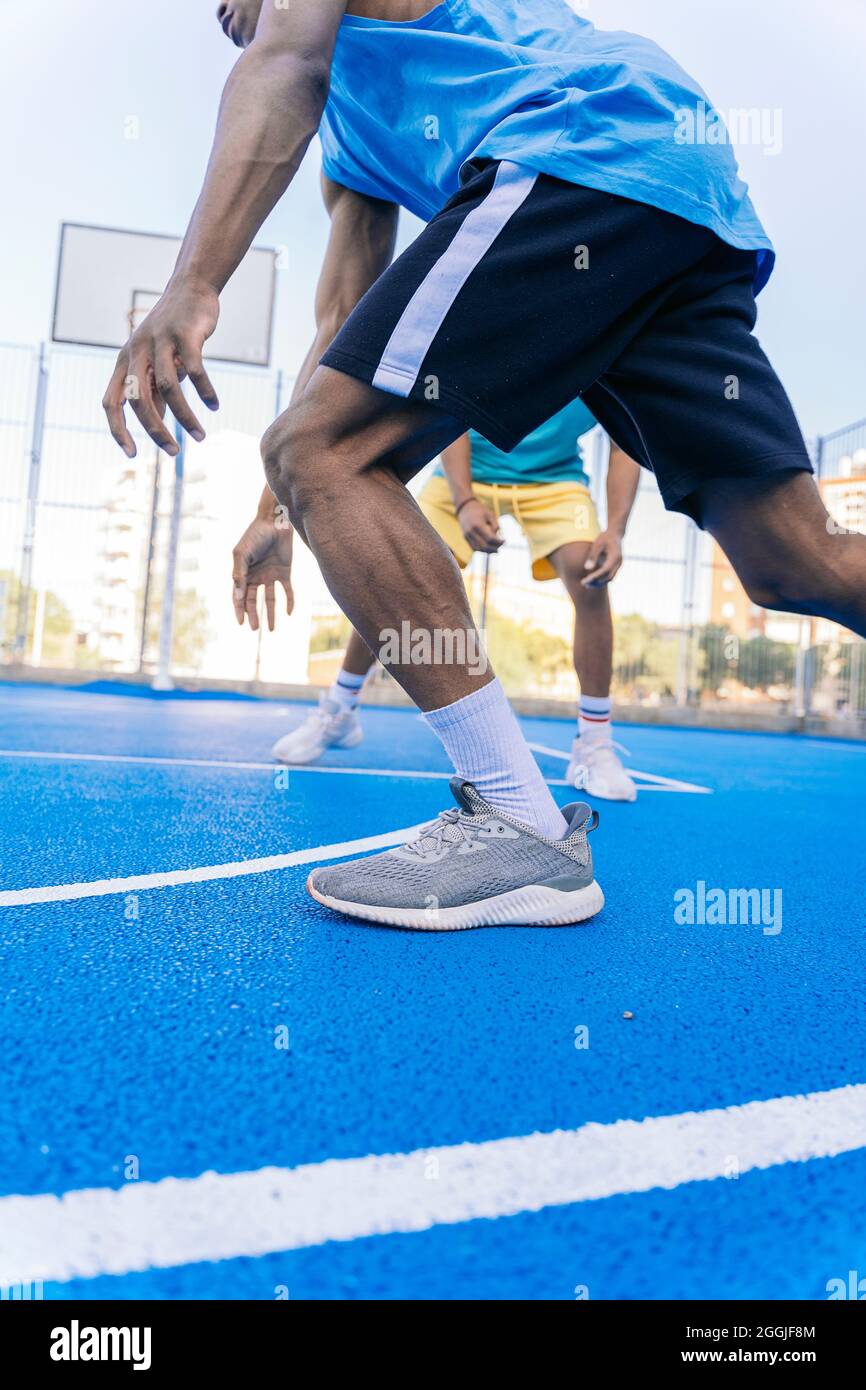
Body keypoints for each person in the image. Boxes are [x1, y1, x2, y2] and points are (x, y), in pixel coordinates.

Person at [103, 1, 865, 930]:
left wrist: (194, 284)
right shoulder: (354, 143)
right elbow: (342, 325)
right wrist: (277, 507)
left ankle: (518, 823)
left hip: (580, 134)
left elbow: (286, 61)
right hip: (667, 180)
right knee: (797, 560)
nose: (218, 8)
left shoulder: (307, 43)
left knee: (325, 453)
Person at [275, 398, 641, 802]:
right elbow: (457, 405)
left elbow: (624, 443)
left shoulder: (606, 363)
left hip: (554, 480)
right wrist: (464, 500)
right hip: (466, 466)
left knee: (589, 574)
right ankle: (340, 709)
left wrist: (615, 531)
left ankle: (594, 743)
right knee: (396, 574)